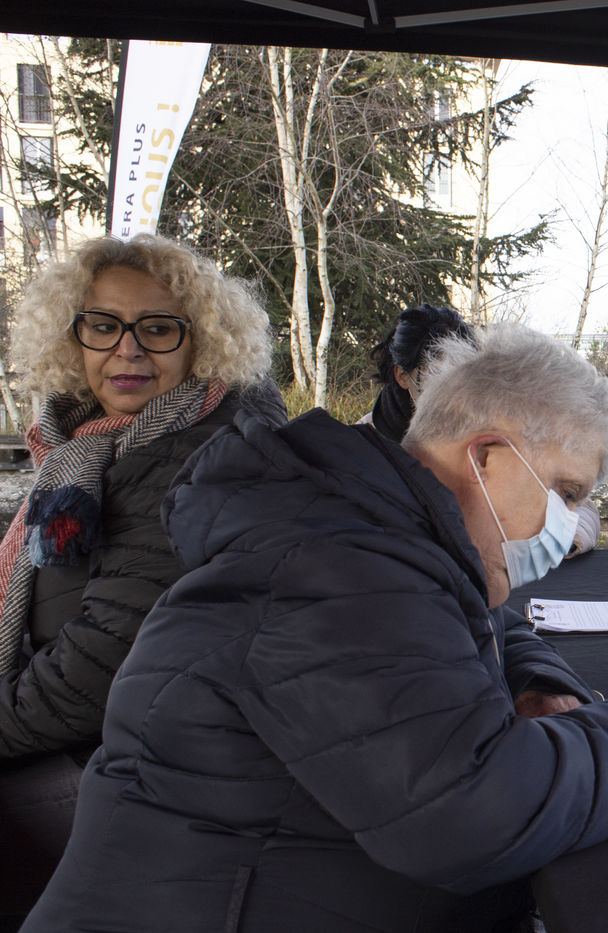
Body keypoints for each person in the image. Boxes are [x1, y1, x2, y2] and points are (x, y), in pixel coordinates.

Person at [24, 324, 608, 933]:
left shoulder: (366, 530)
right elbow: (472, 812)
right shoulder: (339, 566)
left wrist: (536, 679)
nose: (568, 524)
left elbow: (483, 619)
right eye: (566, 492)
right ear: (487, 457)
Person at [0, 233, 283, 928]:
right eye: (103, 325)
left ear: (202, 343)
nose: (127, 350)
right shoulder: (90, 445)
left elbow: (101, 670)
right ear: (73, 335)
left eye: (157, 329)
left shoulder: (201, 460)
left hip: (143, 771)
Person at [363, 303, 601, 555]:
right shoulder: (365, 445)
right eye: (436, 376)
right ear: (402, 376)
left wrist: (560, 541)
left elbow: (580, 509)